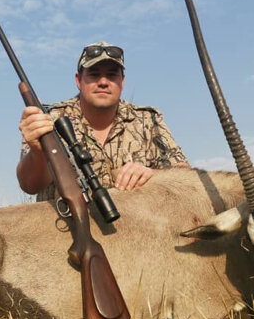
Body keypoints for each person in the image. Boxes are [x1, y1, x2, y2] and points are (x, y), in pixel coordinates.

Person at [17, 41, 189, 202]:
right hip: (64, 230)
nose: (103, 82)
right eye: (94, 74)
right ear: (78, 80)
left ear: (122, 81)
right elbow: (29, 186)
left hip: (137, 227)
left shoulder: (148, 119)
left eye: (112, 75)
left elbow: (185, 175)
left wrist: (152, 174)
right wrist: (37, 152)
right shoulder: (48, 119)